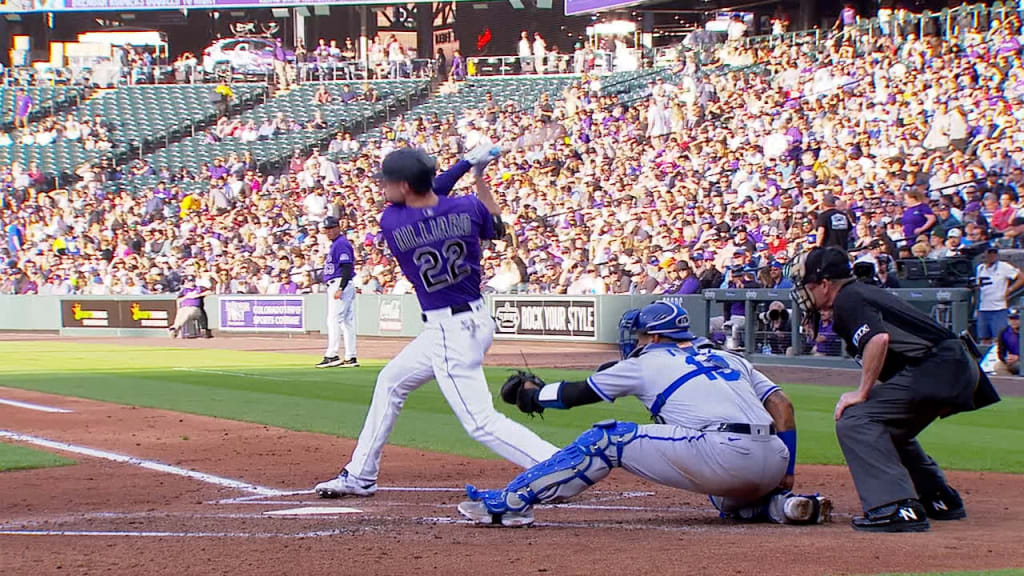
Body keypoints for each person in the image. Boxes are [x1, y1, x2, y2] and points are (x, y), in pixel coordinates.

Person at [314, 144, 559, 498]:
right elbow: (492, 223)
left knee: (479, 421)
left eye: (390, 182)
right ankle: (360, 474)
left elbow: (431, 193)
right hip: (472, 319)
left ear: (406, 186)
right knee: (391, 383)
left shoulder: (393, 221)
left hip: (449, 330)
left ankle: (558, 463)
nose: (384, 187)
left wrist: (463, 164)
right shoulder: (468, 207)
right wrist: (477, 175)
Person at [457, 301, 830, 527]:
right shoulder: (729, 356)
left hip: (723, 452)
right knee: (726, 494)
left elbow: (575, 394)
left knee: (607, 438)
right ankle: (784, 506)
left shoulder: (646, 361)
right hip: (773, 460)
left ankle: (510, 504)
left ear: (652, 338)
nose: (634, 342)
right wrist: (789, 469)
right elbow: (782, 406)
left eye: (637, 336)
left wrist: (535, 396)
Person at [793, 247, 1001, 532]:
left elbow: (878, 339)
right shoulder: (860, 292)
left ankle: (896, 507)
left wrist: (861, 392)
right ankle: (938, 497)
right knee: (886, 425)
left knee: (857, 419)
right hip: (953, 365)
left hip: (939, 367)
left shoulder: (848, 299)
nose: (804, 293)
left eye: (808, 286)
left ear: (825, 284)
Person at [316, 216, 358, 368]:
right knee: (347, 322)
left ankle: (332, 355)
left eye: (331, 228)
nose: (329, 232)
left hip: (340, 282)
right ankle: (350, 356)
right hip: (342, 283)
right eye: (326, 229)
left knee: (334, 319)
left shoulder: (340, 243)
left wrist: (341, 287)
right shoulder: (336, 244)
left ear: (338, 228)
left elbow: (346, 267)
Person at [976, 247, 1024, 345]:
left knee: (999, 338)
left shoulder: (1004, 266)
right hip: (984, 307)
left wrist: (1010, 290)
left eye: (994, 254)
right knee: (984, 338)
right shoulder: (980, 268)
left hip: (999, 308)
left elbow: (1021, 277)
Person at [997, 308, 1021, 375]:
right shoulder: (1004, 332)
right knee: (998, 366)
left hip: (1020, 360)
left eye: (1016, 319)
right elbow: (1000, 352)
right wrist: (1006, 359)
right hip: (1011, 361)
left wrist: (1019, 357)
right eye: (1011, 319)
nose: (1013, 321)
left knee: (1019, 366)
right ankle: (1014, 383)